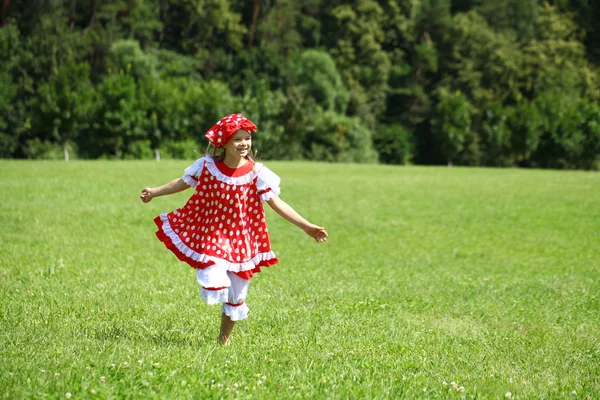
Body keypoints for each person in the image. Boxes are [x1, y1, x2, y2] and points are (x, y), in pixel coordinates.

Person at [140, 113, 328, 345]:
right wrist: (155, 191)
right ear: (224, 143)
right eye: (237, 139)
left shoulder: (257, 173)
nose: (243, 144)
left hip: (242, 240)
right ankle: (216, 282)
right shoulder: (207, 166)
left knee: (236, 295)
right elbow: (182, 183)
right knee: (215, 272)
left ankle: (223, 341)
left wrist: (306, 226)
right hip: (212, 233)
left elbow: (277, 204)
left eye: (247, 138)